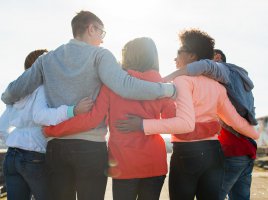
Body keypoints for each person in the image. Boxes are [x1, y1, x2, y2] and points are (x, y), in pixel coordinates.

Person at [0, 11, 176, 200]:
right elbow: (125, 86)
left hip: (56, 148)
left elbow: (11, 93)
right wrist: (167, 90)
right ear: (91, 29)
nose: (102, 40)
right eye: (102, 33)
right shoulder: (100, 56)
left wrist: (8, 98)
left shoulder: (46, 60)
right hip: (90, 148)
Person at [44, 37, 219, 200]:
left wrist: (52, 130)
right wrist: (210, 128)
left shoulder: (112, 86)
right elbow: (178, 126)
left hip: (123, 165)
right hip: (154, 164)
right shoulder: (162, 88)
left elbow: (91, 120)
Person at [115, 29, 259, 200]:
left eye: (179, 52)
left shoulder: (181, 81)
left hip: (187, 155)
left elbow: (184, 124)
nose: (175, 57)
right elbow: (236, 122)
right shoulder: (218, 87)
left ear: (191, 56)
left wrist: (143, 125)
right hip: (214, 154)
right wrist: (255, 134)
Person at [0, 49, 93, 200]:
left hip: (11, 157)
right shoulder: (42, 88)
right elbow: (40, 116)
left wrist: (16, 142)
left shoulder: (17, 93)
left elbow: (0, 129)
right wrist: (73, 110)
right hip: (34, 156)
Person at [164, 48, 257, 200]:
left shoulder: (223, 73)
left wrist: (166, 78)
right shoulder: (240, 84)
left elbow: (204, 67)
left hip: (232, 149)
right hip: (247, 149)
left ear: (218, 58)